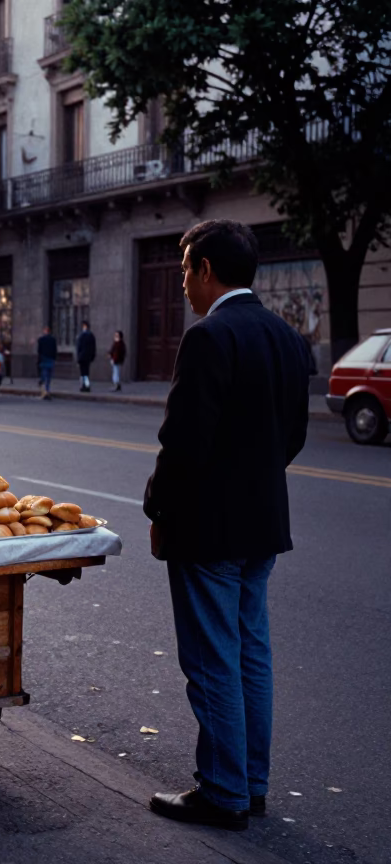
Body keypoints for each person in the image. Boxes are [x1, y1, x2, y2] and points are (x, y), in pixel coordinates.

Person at [144, 220, 312, 832]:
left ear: (207, 269)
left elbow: (183, 444)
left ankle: (222, 791)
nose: (184, 282)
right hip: (262, 524)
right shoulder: (288, 337)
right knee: (251, 655)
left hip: (209, 528)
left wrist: (159, 511)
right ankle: (252, 783)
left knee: (214, 659)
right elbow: (290, 437)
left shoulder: (209, 336)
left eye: (186, 269)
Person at [36, 326, 57, 399]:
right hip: (51, 359)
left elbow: (39, 351)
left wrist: (39, 360)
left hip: (44, 359)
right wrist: (54, 358)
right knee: (48, 376)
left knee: (44, 375)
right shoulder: (53, 340)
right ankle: (47, 390)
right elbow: (55, 350)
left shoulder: (41, 340)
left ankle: (44, 391)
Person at [75, 320, 96, 392]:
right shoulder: (91, 335)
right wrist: (92, 356)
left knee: (83, 373)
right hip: (88, 357)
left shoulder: (81, 335)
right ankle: (86, 385)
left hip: (82, 356)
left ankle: (85, 385)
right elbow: (93, 347)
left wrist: (78, 357)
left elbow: (79, 347)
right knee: (86, 372)